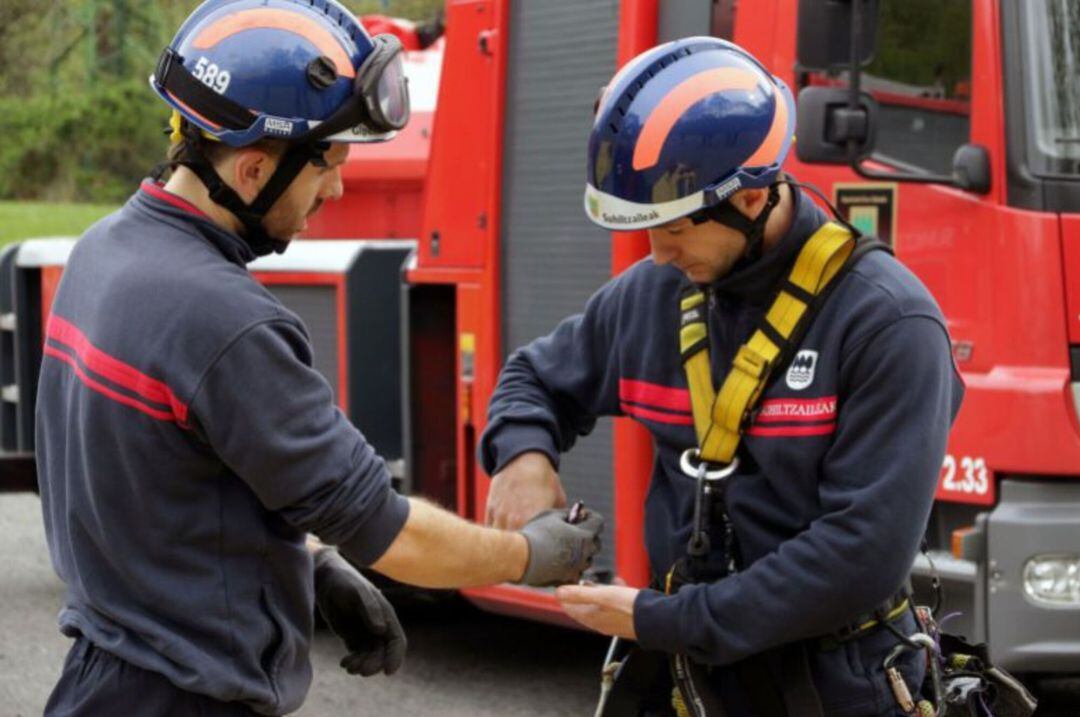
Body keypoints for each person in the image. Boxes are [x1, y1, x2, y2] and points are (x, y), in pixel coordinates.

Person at [36, 1, 603, 715]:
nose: (335, 189)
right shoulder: (228, 323)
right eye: (327, 165)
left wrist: (304, 565)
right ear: (252, 168)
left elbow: (148, 491)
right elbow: (390, 530)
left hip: (99, 680)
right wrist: (530, 554)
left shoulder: (102, 252)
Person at [480, 37, 963, 717]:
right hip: (689, 684)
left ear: (752, 196)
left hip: (834, 689)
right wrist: (523, 456)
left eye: (673, 225)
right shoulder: (652, 296)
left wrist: (663, 619)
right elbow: (533, 377)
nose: (655, 251)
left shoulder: (888, 323)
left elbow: (860, 556)